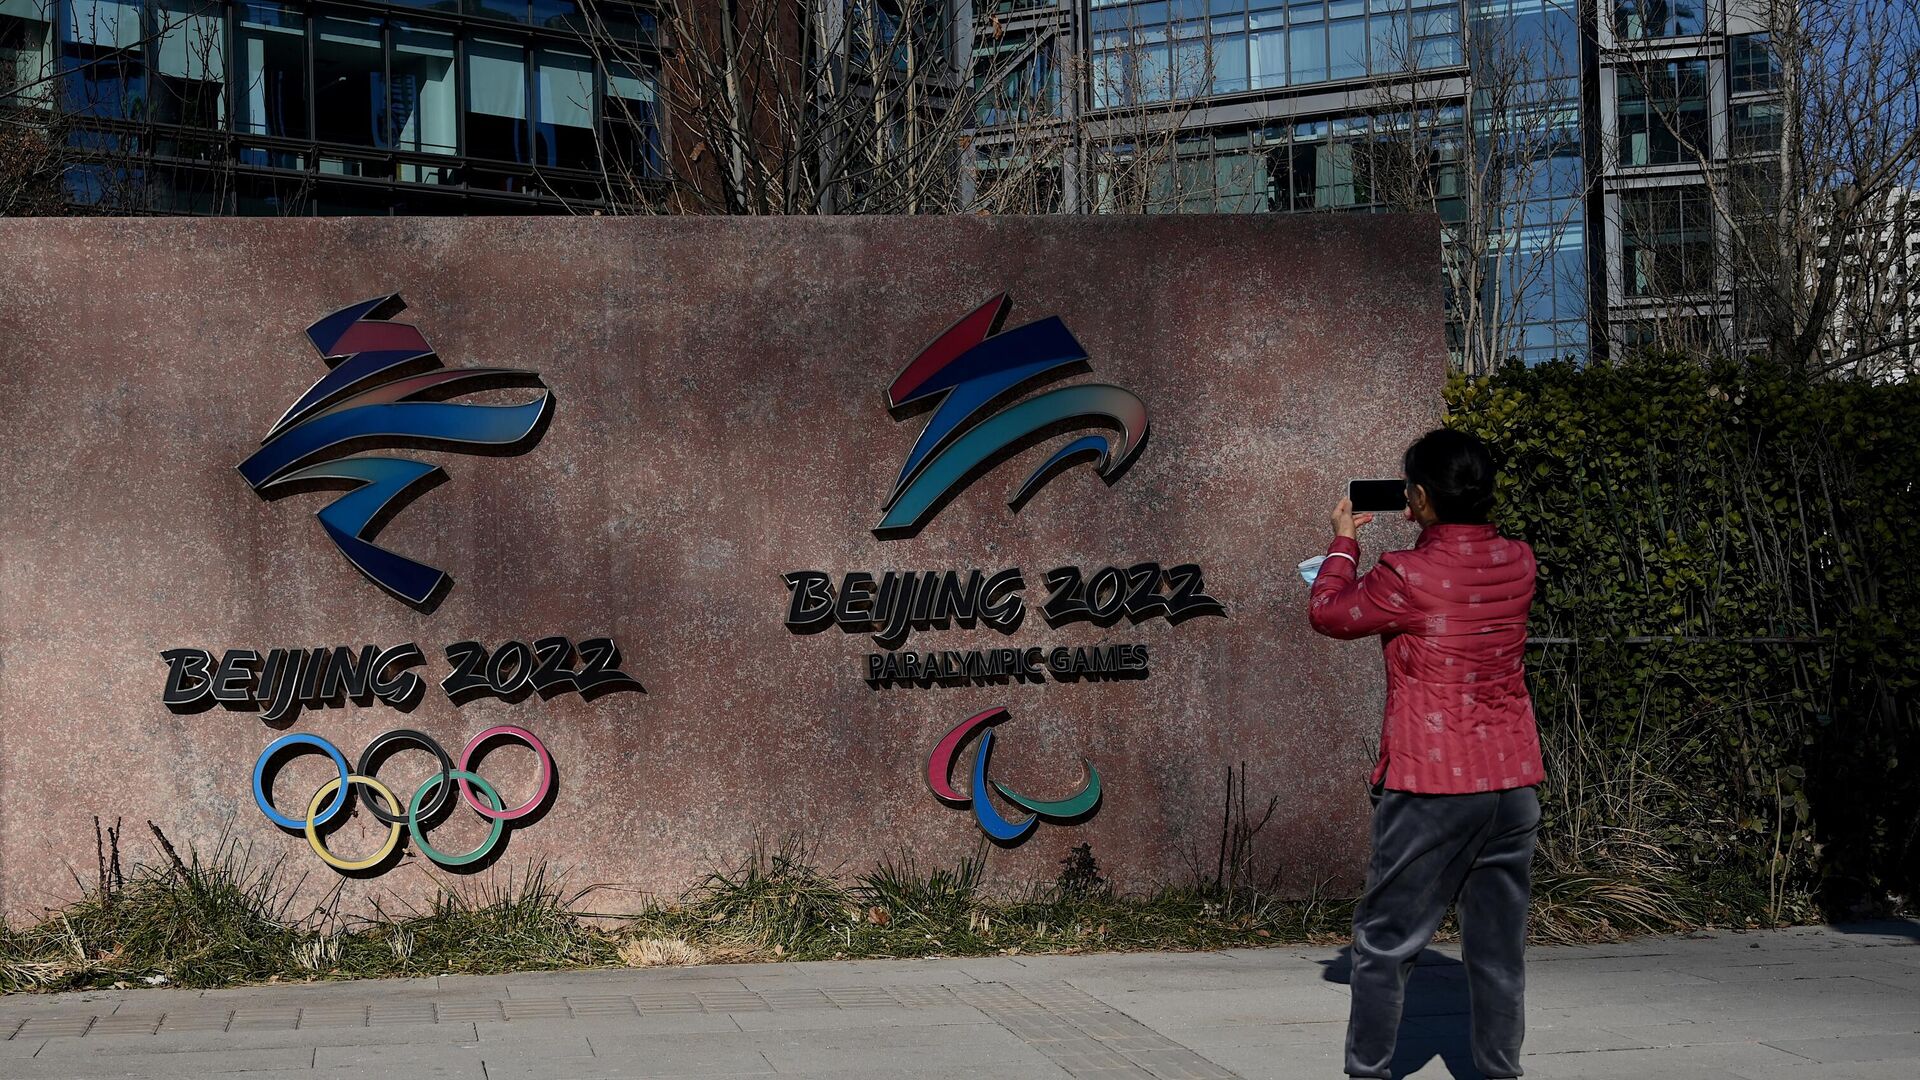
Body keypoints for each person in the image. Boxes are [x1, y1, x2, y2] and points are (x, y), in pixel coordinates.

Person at [1307, 428, 1542, 1080]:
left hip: (1433, 782)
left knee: (1384, 946)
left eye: (1411, 488)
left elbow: (1327, 612)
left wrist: (1344, 540)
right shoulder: (1520, 561)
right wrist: (1427, 513)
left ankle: (1368, 1074)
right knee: (1497, 954)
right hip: (1512, 782)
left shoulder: (1405, 574)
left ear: (1422, 497)